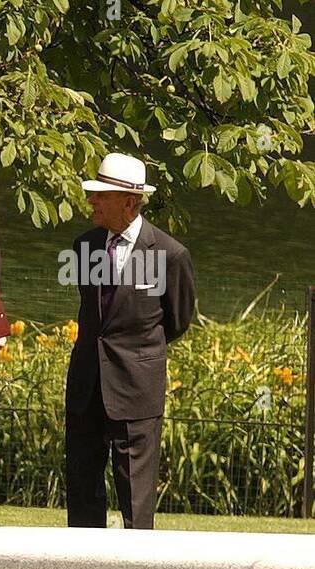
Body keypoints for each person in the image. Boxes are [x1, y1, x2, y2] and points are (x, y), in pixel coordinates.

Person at [66, 153, 195, 529]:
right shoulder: (84, 246)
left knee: (136, 499)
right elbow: (93, 313)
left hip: (136, 389)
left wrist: (135, 355)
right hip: (86, 385)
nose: (91, 201)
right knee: (82, 487)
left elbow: (176, 321)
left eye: (100, 196)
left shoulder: (171, 255)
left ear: (129, 202)